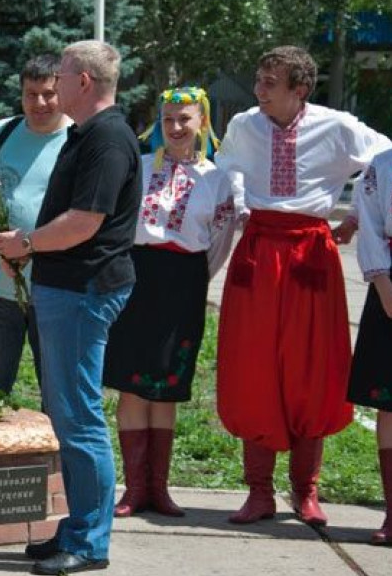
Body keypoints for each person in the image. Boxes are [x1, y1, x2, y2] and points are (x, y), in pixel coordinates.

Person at [215, 45, 391, 526]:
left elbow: (386, 166)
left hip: (311, 255)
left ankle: (306, 492)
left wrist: (356, 218)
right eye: (258, 79)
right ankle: (258, 492)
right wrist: (238, 210)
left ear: (300, 89)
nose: (259, 91)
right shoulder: (243, 125)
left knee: (310, 370)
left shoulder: (339, 126)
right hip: (258, 252)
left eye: (271, 83)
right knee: (254, 366)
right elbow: (225, 172)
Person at [0, 40, 141, 575]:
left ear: (83, 81)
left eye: (63, 71)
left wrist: (27, 244)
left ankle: (88, 540)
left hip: (84, 291)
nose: (53, 80)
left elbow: (85, 222)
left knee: (79, 419)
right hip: (67, 289)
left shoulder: (106, 138)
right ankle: (78, 525)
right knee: (69, 414)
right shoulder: (90, 134)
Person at [103, 86, 235, 519]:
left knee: (166, 387)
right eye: (168, 119)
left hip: (183, 283)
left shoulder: (217, 179)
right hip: (135, 277)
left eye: (185, 119)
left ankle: (159, 489)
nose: (176, 128)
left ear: (203, 123)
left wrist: (193, 279)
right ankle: (134, 488)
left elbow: (219, 243)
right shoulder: (137, 168)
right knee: (132, 385)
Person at [0, 54, 70, 395]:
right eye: (30, 94)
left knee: (57, 394)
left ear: (62, 92)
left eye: (48, 94)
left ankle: (53, 451)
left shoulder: (78, 141)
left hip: (52, 291)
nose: (39, 103)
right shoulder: (1, 133)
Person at [348, 150, 392, 545]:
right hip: (390, 287)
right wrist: (383, 285)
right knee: (390, 403)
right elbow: (372, 226)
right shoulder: (382, 166)